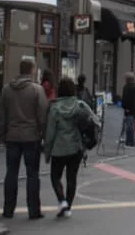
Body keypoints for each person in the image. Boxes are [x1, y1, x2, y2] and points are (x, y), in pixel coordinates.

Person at [0, 59, 48, 220]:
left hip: (12, 136)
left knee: (11, 173)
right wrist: (45, 135)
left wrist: (2, 134)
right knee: (32, 174)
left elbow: (1, 115)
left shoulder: (7, 90)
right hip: (31, 137)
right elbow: (42, 115)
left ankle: (8, 209)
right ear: (32, 70)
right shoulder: (36, 90)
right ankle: (33, 210)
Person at [44, 76, 99, 218]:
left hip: (59, 147)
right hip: (76, 147)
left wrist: (47, 151)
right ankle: (68, 206)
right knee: (71, 178)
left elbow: (50, 132)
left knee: (55, 176)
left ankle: (61, 200)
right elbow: (94, 121)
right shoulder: (79, 105)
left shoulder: (54, 108)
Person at [121, 72, 135, 147]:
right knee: (131, 125)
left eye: (126, 78)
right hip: (134, 109)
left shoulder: (127, 87)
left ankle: (130, 142)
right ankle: (129, 141)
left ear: (128, 79)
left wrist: (124, 108)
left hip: (129, 109)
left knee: (130, 126)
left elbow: (125, 99)